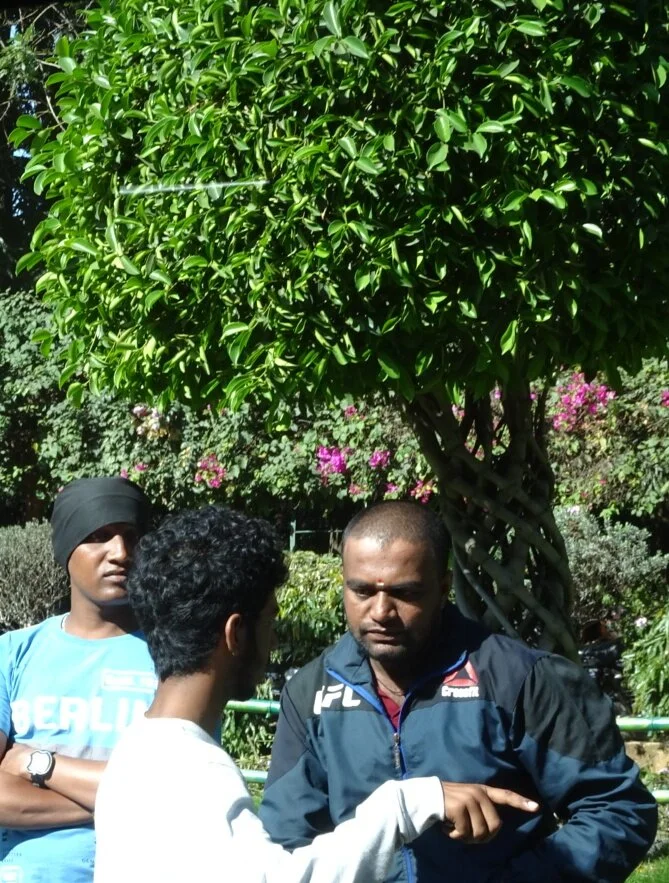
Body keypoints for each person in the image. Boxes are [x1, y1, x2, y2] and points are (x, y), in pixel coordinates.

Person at [94, 504, 539, 883]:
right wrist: (404, 805)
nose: (273, 640)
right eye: (271, 620)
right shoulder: (195, 772)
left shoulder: (134, 755)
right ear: (236, 634)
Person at [260, 501, 658, 883]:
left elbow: (618, 810)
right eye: (362, 591)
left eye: (405, 593)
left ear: (443, 587)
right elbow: (287, 842)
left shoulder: (518, 679)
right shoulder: (312, 692)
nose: (381, 612)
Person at [0, 476, 156, 883]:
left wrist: (35, 763)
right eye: (99, 536)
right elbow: (150, 796)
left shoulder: (175, 657)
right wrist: (121, 799)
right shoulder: (11, 654)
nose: (120, 552)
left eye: (131, 536)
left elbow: (176, 788)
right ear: (66, 548)